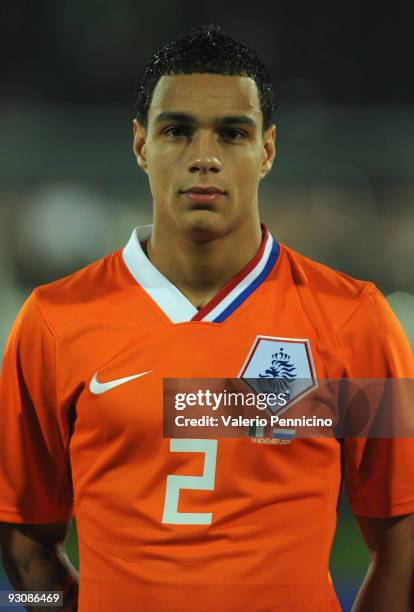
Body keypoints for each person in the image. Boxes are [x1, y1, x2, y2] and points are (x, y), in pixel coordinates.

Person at [0, 24, 413, 612]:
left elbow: (403, 540)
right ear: (141, 145)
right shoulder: (52, 322)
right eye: (177, 131)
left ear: (267, 149)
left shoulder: (354, 320)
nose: (204, 157)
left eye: (232, 133)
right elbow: (22, 543)